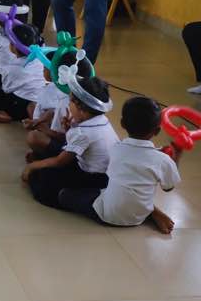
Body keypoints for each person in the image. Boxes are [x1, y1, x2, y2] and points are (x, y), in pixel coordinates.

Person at [58, 96, 181, 234]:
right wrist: (177, 155)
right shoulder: (163, 160)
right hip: (138, 217)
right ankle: (151, 212)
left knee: (65, 195)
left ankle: (152, 212)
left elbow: (136, 156)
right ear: (157, 131)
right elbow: (168, 187)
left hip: (107, 215)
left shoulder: (116, 148)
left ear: (122, 123)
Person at [23, 75, 119, 209]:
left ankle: (72, 195)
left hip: (93, 178)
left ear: (80, 106)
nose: (68, 105)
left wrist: (32, 167)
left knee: (43, 179)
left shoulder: (83, 132)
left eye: (70, 101)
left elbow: (60, 161)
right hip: (105, 174)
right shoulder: (101, 120)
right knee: (46, 166)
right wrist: (70, 130)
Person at [24, 52, 92, 160]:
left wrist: (43, 128)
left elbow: (65, 139)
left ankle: (43, 157)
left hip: (72, 153)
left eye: (45, 68)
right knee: (32, 108)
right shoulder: (80, 95)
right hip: (68, 138)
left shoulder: (67, 101)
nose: (43, 71)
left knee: (33, 137)